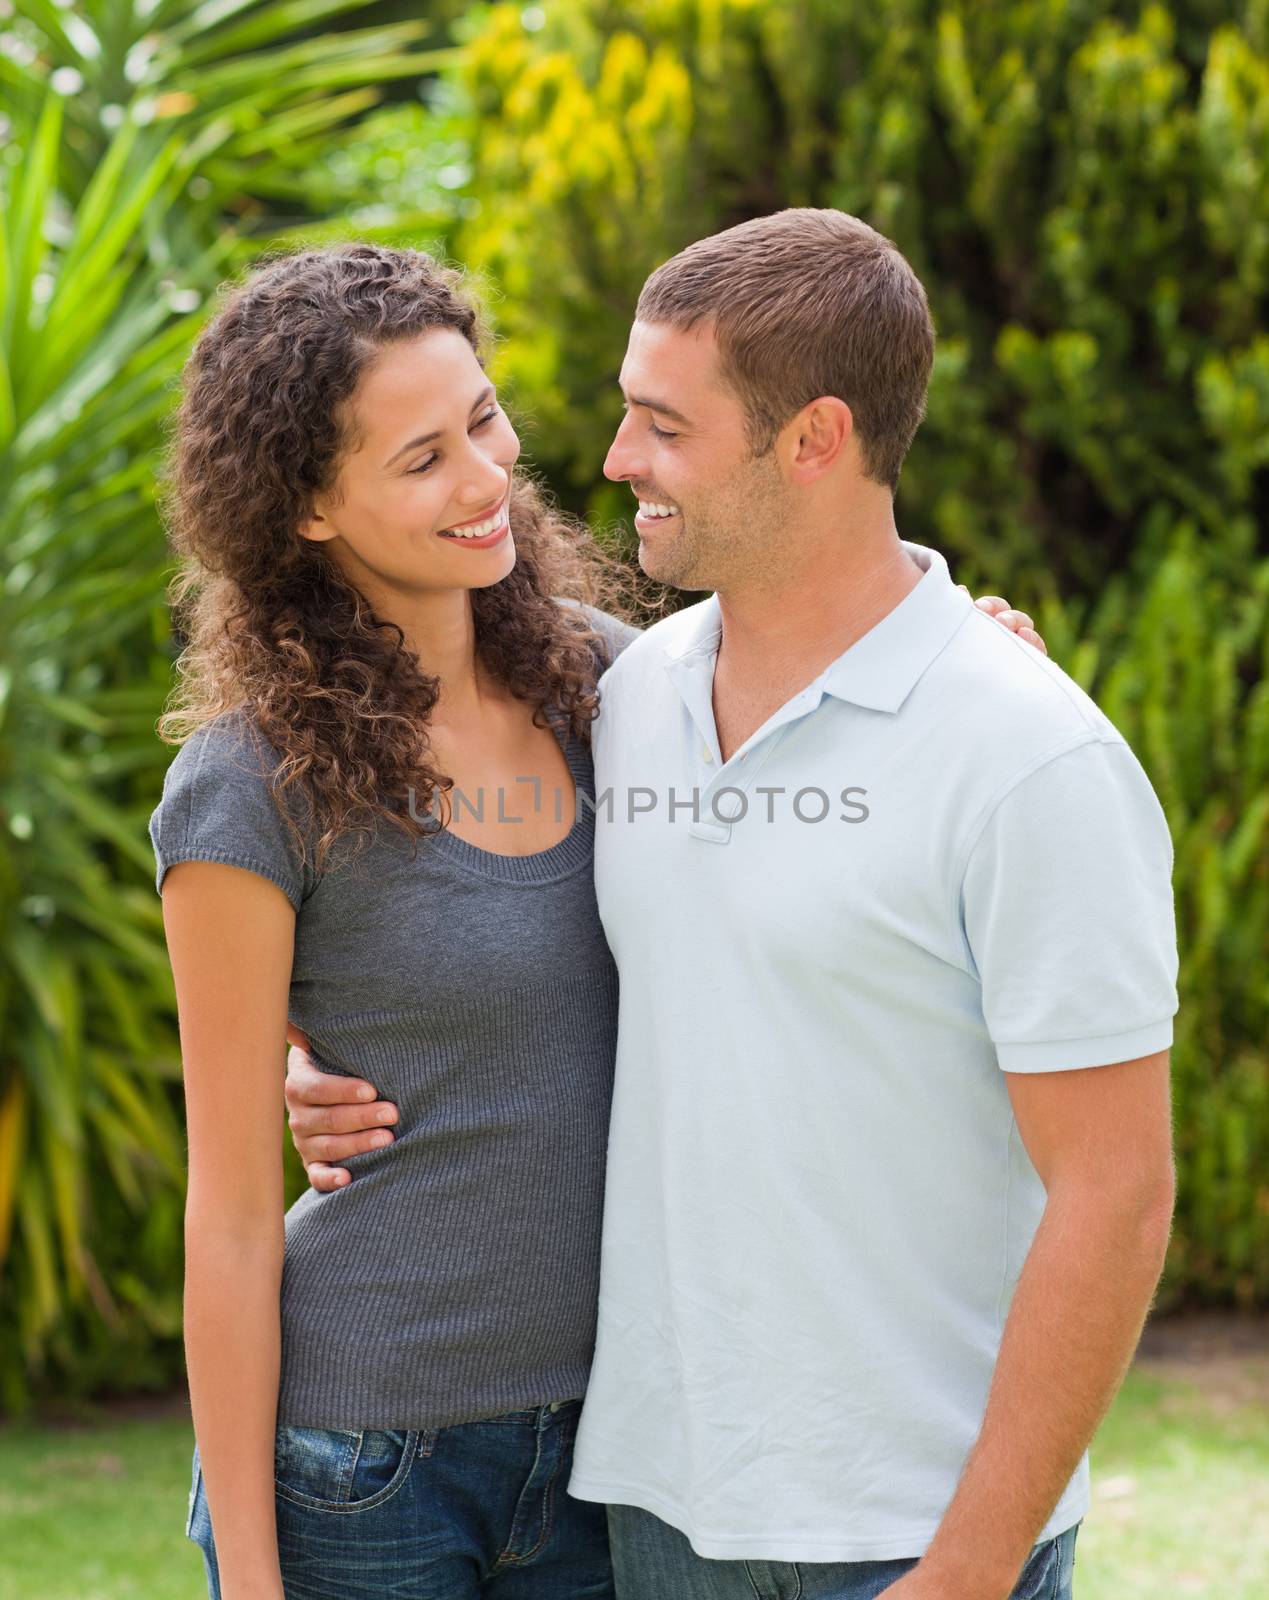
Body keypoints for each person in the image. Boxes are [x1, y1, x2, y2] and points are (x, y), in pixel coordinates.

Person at [287, 212, 1178, 1600]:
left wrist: (968, 1568)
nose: (610, 461)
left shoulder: (1026, 755)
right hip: (655, 1510)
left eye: (661, 424)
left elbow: (1115, 1195)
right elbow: (482, 917)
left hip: (909, 1535)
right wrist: (326, 1060)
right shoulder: (620, 697)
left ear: (813, 440)